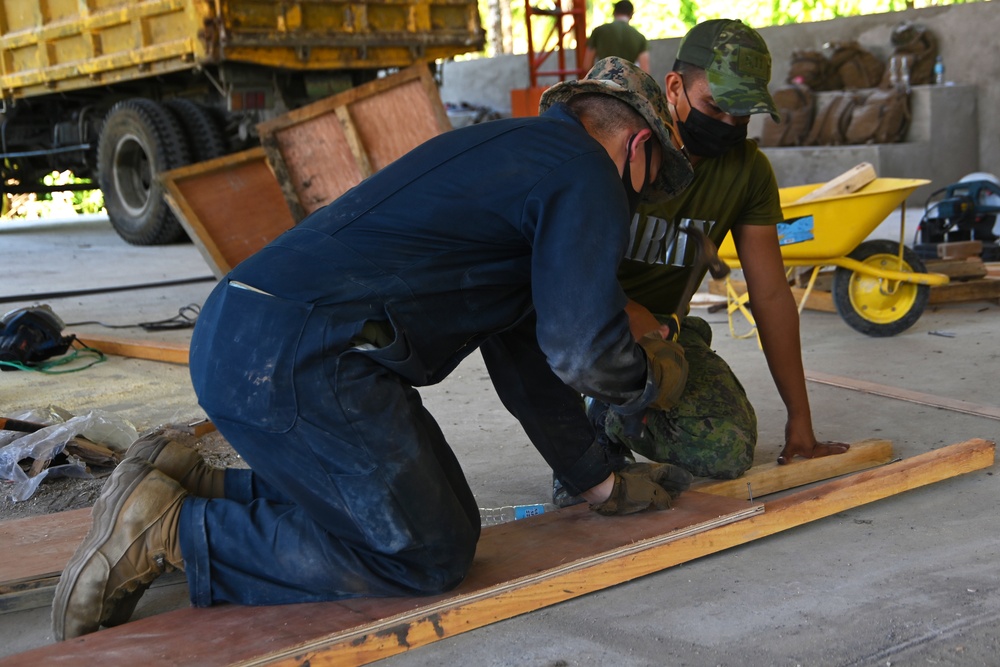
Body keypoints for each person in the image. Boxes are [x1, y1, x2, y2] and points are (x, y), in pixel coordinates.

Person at [51, 57, 698, 641]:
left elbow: (525, 358)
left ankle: (193, 479)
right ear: (638, 145)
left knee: (447, 517)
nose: (635, 198)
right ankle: (167, 532)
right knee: (425, 551)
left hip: (249, 333)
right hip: (301, 361)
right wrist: (647, 375)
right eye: (648, 181)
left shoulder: (516, 155)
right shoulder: (587, 174)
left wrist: (598, 481)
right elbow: (581, 350)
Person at [557, 20, 850, 507]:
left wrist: (801, 421)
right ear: (675, 87)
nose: (730, 125)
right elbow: (560, 276)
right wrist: (627, 321)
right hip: (583, 331)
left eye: (745, 113)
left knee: (728, 450)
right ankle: (584, 444)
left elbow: (771, 294)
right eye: (717, 107)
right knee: (582, 480)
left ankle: (614, 416)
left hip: (669, 335)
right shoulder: (621, 144)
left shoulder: (747, 171)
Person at [583, 1, 650, 73]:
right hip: (627, 82)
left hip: (603, 80)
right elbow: (645, 70)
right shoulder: (640, 37)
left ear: (614, 12)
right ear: (631, 15)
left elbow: (587, 65)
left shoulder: (599, 31)